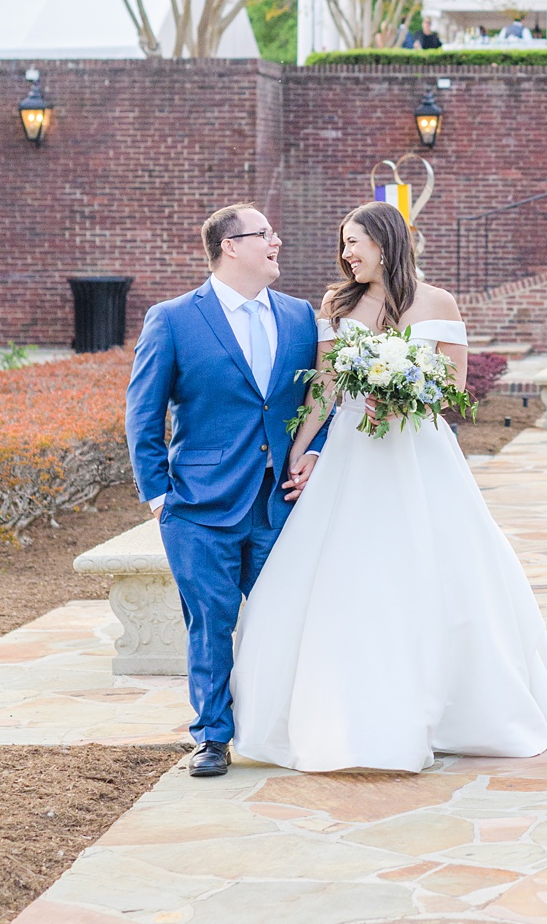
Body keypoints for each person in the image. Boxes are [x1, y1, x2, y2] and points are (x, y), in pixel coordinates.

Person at [228, 200, 547, 771]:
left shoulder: (438, 302)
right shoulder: (337, 303)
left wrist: (406, 391)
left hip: (419, 452)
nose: (346, 254)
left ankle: (458, 705)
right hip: (352, 451)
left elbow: (456, 392)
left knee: (442, 566)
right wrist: (303, 450)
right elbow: (324, 384)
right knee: (348, 570)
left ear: (386, 242)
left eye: (355, 243)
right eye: (343, 243)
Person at [125, 205, 326, 778]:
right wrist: (160, 496)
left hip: (278, 501)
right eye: (265, 234)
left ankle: (277, 723)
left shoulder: (300, 317)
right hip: (198, 505)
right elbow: (143, 414)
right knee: (210, 621)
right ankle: (213, 736)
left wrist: (315, 451)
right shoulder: (172, 319)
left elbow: (321, 398)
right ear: (229, 246)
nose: (277, 241)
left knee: (281, 618)